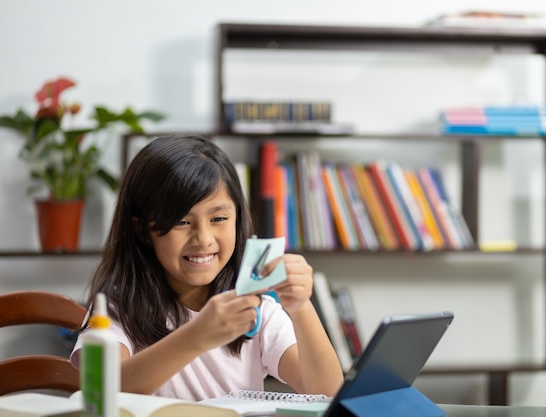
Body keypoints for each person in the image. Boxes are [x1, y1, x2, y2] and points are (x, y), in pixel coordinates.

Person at [70, 135, 343, 401]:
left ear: (237, 219)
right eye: (181, 222)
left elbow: (326, 393)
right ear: (142, 231)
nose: (203, 239)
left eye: (219, 218)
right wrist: (199, 335)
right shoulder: (117, 309)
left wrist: (300, 306)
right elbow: (105, 391)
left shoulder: (257, 309)